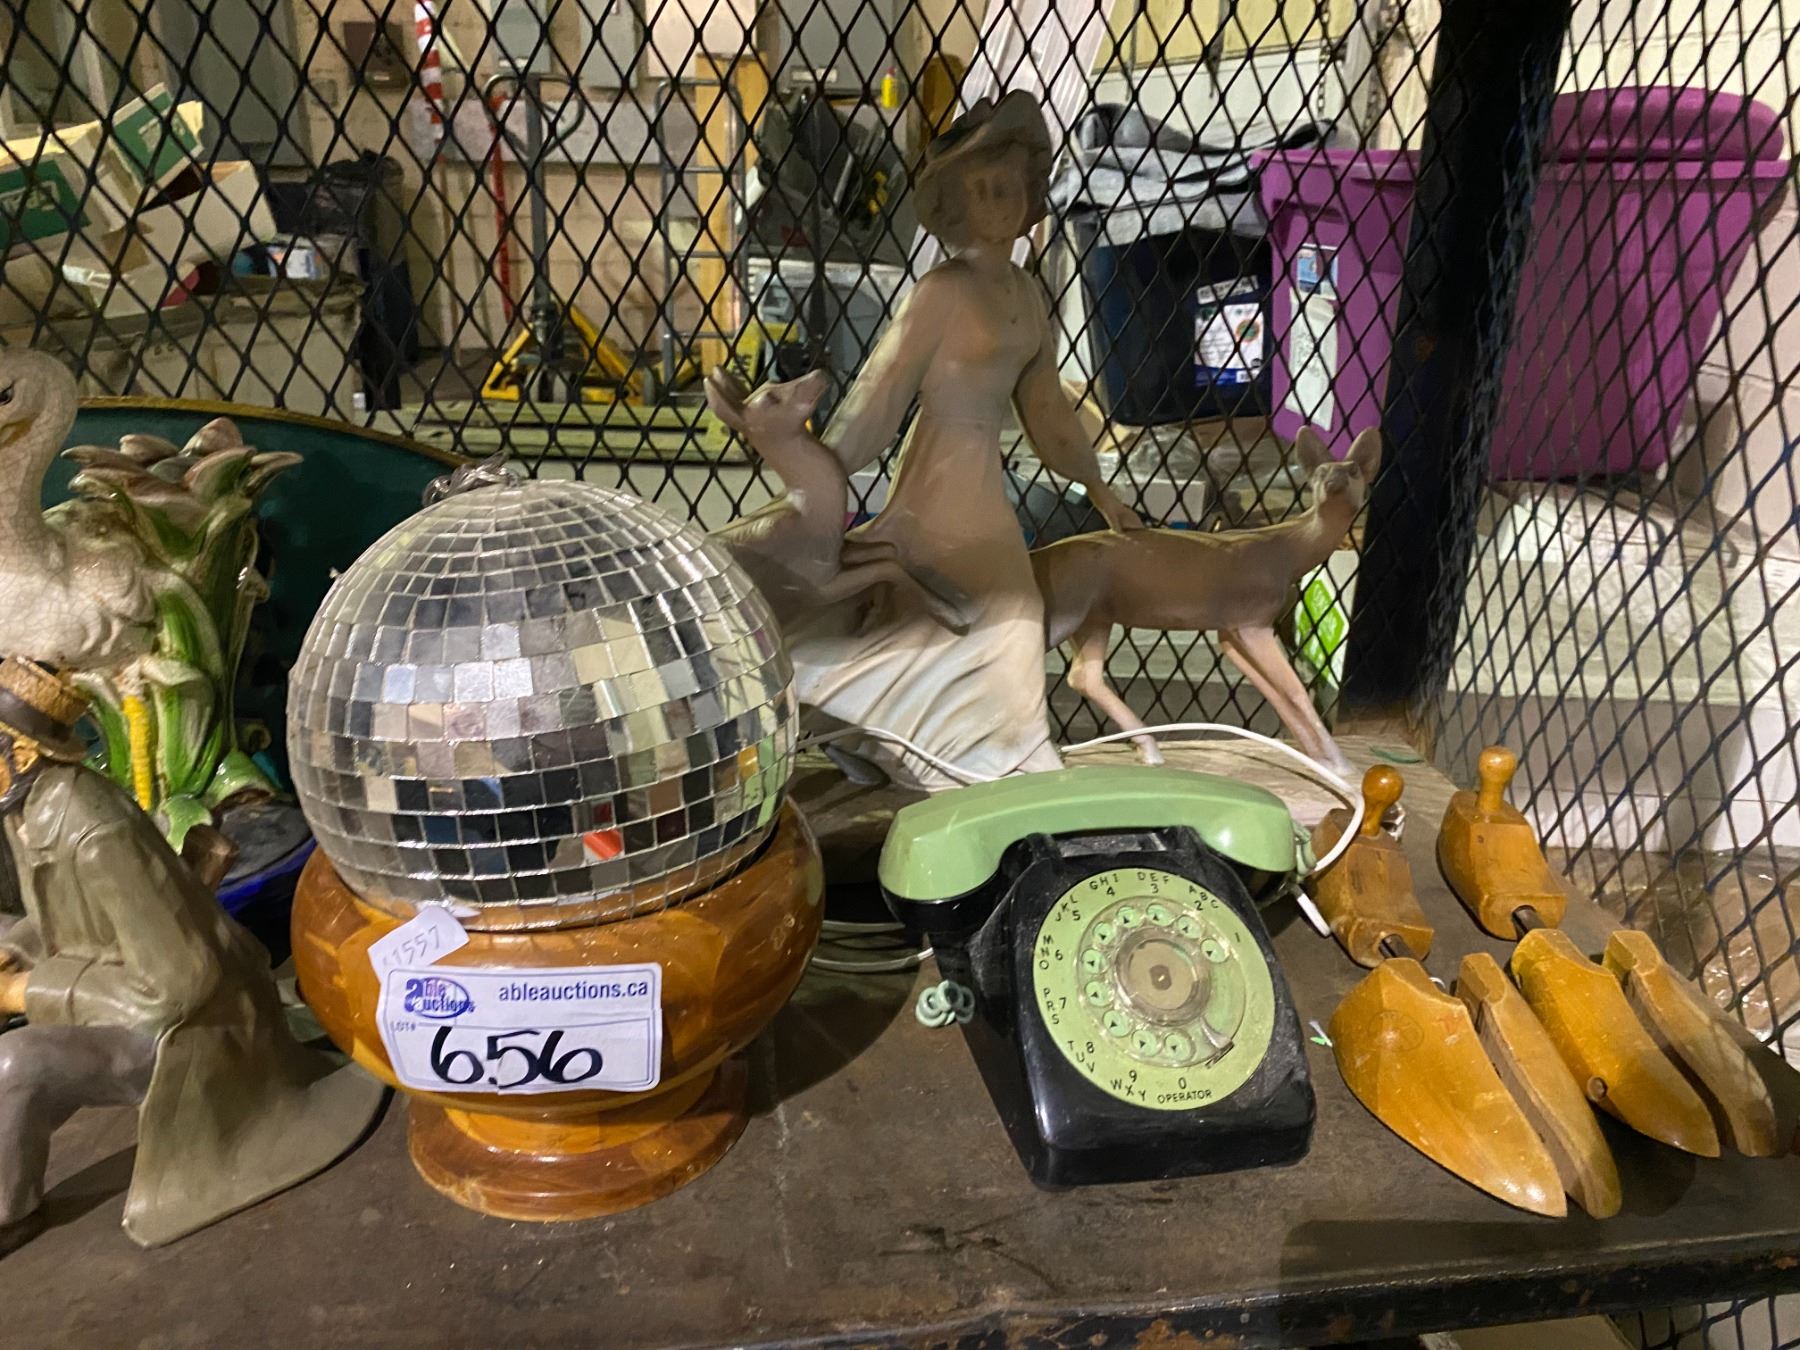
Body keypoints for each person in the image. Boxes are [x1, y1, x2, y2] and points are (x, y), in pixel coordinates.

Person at [729, 92, 1142, 788]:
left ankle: (909, 746)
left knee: (993, 616)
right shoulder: (941, 292)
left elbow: (1046, 410)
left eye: (1009, 185)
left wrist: (1101, 491)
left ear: (1030, 192)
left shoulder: (1026, 293)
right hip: (938, 480)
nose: (998, 201)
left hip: (981, 483)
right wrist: (821, 472)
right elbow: (882, 391)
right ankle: (989, 759)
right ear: (954, 205)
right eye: (981, 189)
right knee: (1001, 618)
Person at [0, 656, 383, 1255]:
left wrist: (28, 991)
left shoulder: (93, 832)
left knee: (17, 1065)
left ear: (21, 754)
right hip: (120, 989)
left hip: (188, 1033)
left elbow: (184, 982)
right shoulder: (25, 811)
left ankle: (9, 1212)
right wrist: (13, 951)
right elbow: (68, 921)